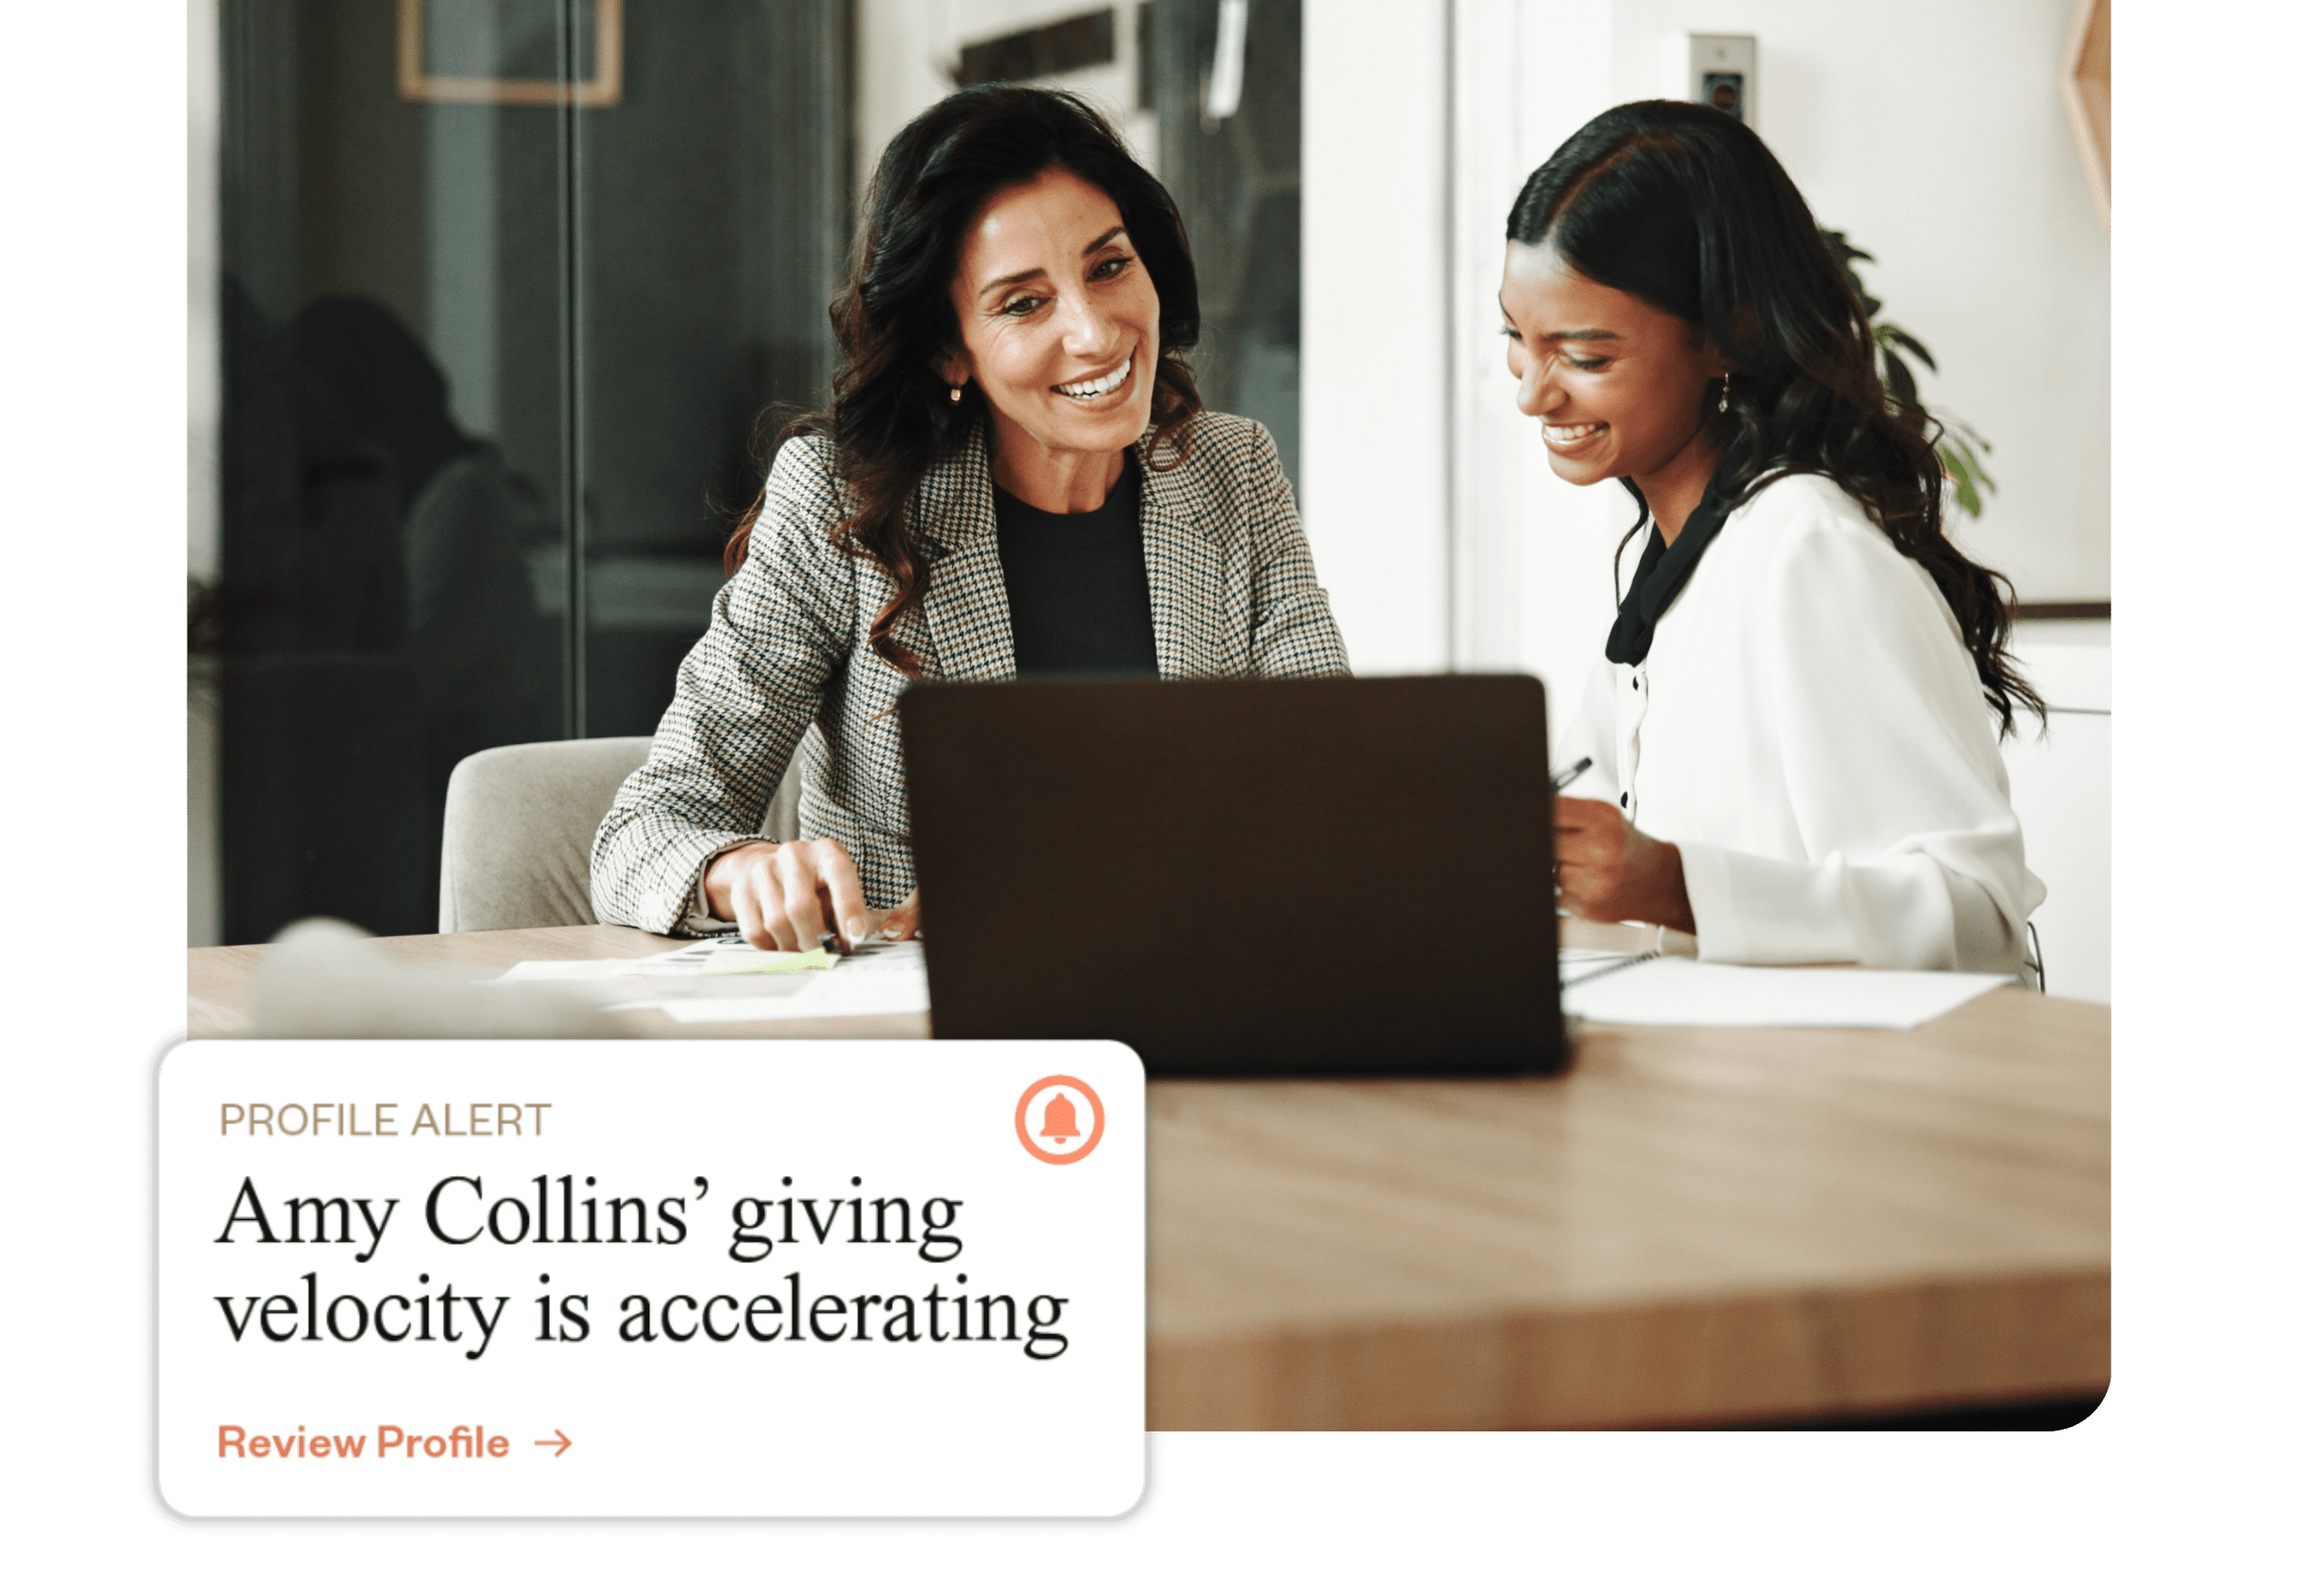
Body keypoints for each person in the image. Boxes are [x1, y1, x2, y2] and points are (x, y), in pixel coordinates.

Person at [590, 85, 1348, 951]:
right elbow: (645, 831)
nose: (1097, 335)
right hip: (931, 1044)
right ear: (951, 348)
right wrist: (745, 870)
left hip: (1187, 1006)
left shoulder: (1231, 470)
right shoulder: (841, 503)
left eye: (1108, 267)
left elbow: (1327, 793)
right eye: (1024, 303)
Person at [1499, 100, 2043, 973]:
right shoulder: (1667, 559)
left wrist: (1673, 885)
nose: (1532, 393)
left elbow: (1977, 916)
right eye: (1518, 340)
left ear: (1726, 339)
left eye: (1587, 357)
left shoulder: (1808, 552)